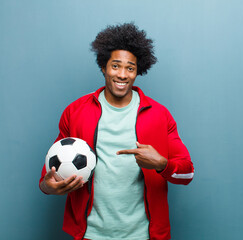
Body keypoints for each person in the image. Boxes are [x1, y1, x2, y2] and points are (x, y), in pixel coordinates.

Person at [39, 23, 194, 240]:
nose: (122, 75)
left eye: (130, 68)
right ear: (103, 66)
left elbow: (187, 173)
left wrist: (161, 164)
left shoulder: (159, 114)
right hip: (91, 234)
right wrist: (49, 187)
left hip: (142, 235)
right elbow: (47, 180)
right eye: (115, 66)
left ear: (138, 71)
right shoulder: (75, 112)